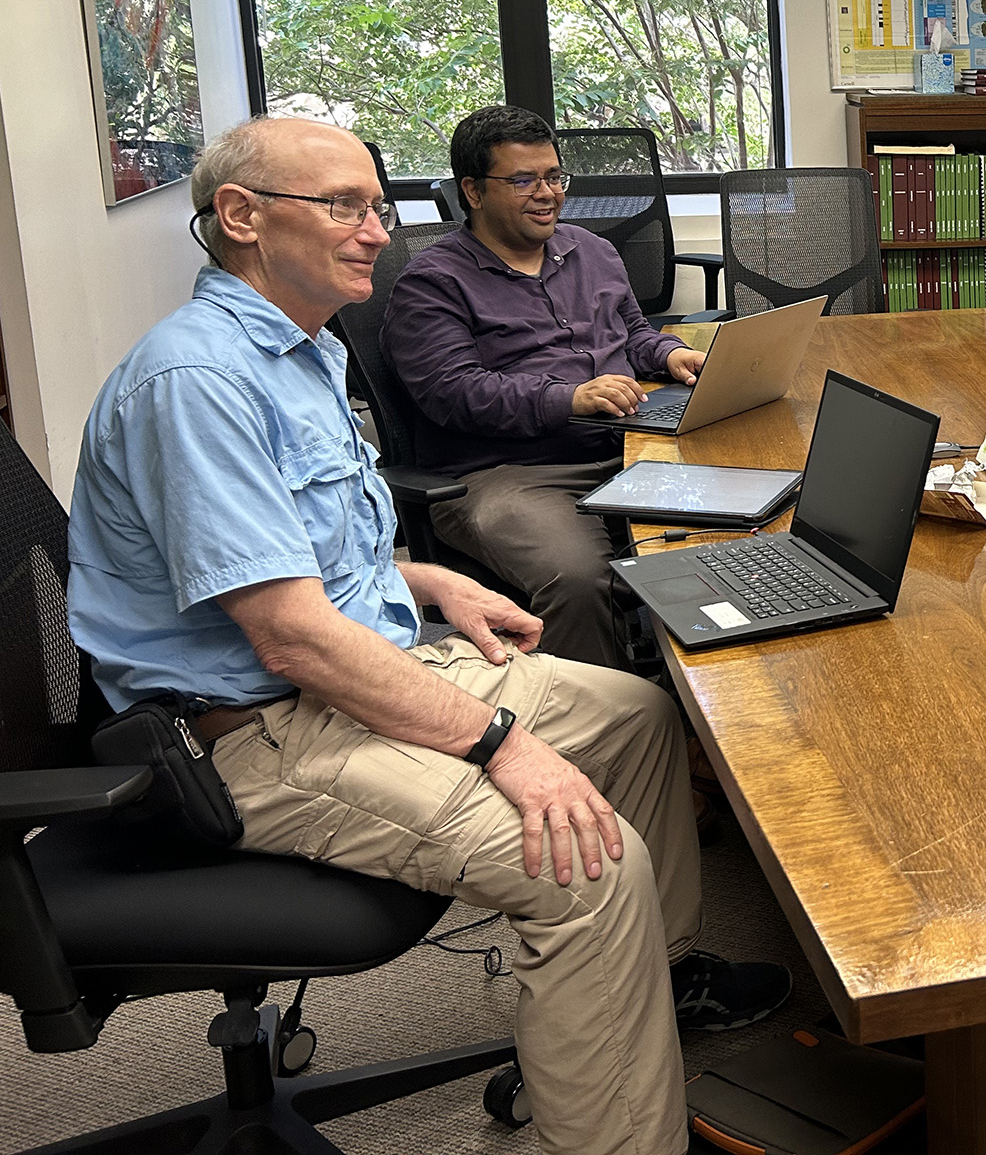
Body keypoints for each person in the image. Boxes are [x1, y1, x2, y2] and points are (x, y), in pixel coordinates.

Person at [67, 117, 787, 1155]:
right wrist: (500, 745)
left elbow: (282, 560)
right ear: (240, 217)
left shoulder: (297, 346)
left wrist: (424, 575)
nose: (376, 233)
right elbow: (291, 639)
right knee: (589, 869)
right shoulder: (200, 383)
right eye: (346, 208)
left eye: (377, 206)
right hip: (262, 731)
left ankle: (640, 997)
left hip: (361, 666)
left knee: (635, 715)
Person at [383, 105, 709, 669]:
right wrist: (570, 397)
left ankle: (711, 708)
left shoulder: (592, 250)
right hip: (507, 474)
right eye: (523, 180)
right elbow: (453, 392)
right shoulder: (432, 283)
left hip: (627, 443)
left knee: (739, 526)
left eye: (554, 177)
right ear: (474, 191)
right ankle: (606, 731)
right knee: (581, 579)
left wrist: (671, 353)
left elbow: (633, 333)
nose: (547, 194)